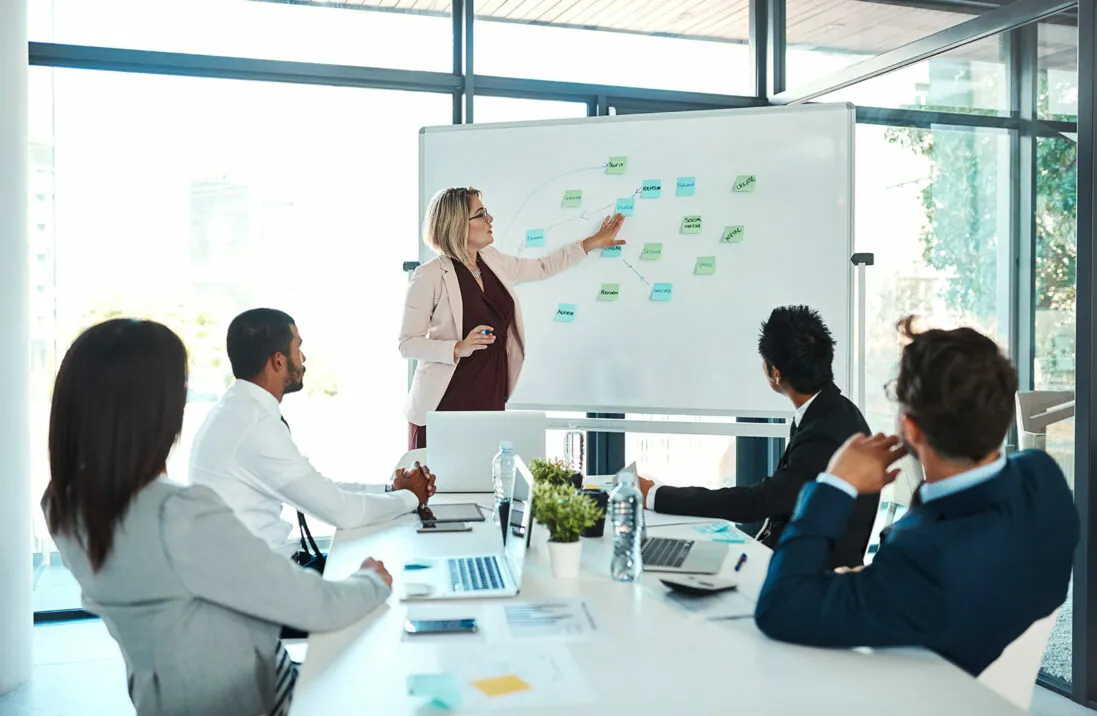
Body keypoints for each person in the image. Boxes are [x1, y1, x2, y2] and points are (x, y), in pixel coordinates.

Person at [43, 319, 395, 716]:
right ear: (150, 409)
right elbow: (317, 607)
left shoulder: (63, 505)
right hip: (254, 698)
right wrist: (370, 580)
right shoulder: (176, 514)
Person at [754, 318, 1078, 677]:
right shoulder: (1042, 475)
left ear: (910, 428)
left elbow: (779, 608)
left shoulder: (924, 558)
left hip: (913, 690)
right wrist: (878, 583)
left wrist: (835, 484)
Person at [637, 305, 877, 569]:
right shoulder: (832, 411)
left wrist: (655, 495)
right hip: (792, 559)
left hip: (808, 576)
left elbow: (760, 501)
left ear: (776, 373)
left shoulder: (826, 432)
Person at [191, 308, 434, 561]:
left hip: (260, 571)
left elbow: (316, 488)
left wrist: (391, 489)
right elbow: (342, 512)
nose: (303, 358)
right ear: (279, 360)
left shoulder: (238, 411)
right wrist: (409, 497)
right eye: (298, 348)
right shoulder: (254, 427)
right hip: (264, 584)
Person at [400, 186, 626, 449]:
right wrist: (457, 347)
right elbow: (407, 343)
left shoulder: (491, 260)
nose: (490, 219)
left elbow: (541, 268)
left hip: (489, 393)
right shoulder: (430, 275)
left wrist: (590, 244)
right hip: (444, 401)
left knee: (482, 481)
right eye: (481, 214)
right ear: (458, 224)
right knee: (437, 486)